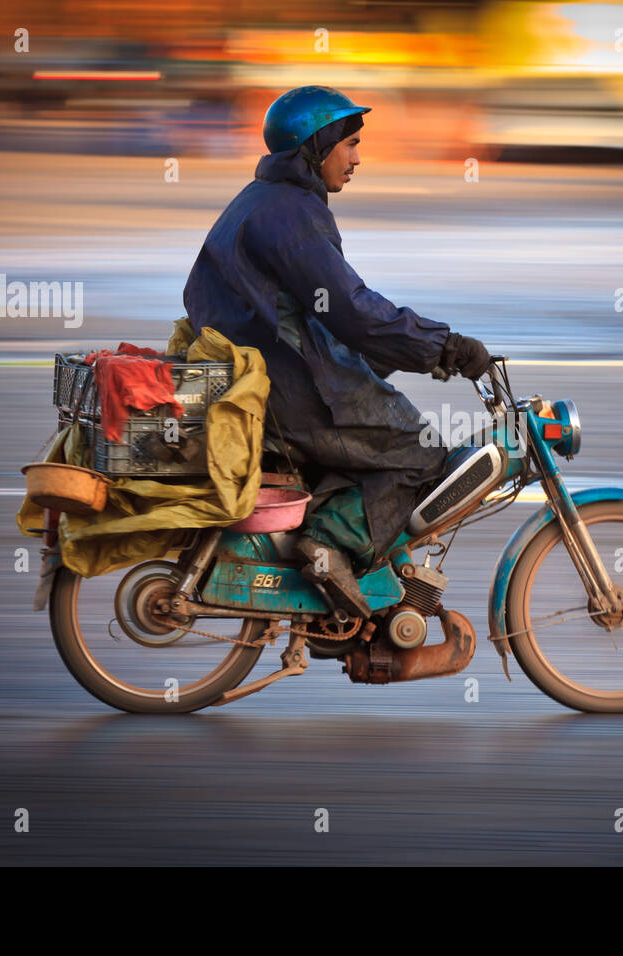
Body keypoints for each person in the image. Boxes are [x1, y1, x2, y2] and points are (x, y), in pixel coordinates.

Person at [183, 85, 491, 618]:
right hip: (291, 389)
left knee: (381, 419)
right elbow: (349, 308)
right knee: (419, 452)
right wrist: (444, 346)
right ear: (314, 145)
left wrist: (406, 353)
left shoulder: (262, 200)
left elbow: (323, 314)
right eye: (347, 144)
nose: (356, 159)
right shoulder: (292, 214)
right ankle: (328, 546)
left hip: (267, 374)